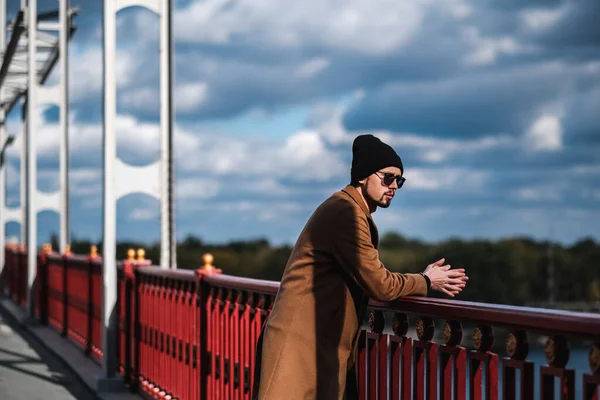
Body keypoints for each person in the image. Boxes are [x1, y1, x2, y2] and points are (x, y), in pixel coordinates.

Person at [252, 134, 469, 399]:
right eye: (387, 177)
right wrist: (426, 281)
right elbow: (379, 283)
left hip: (313, 347)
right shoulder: (346, 213)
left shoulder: (347, 209)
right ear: (363, 176)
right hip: (300, 349)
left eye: (399, 180)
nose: (394, 186)